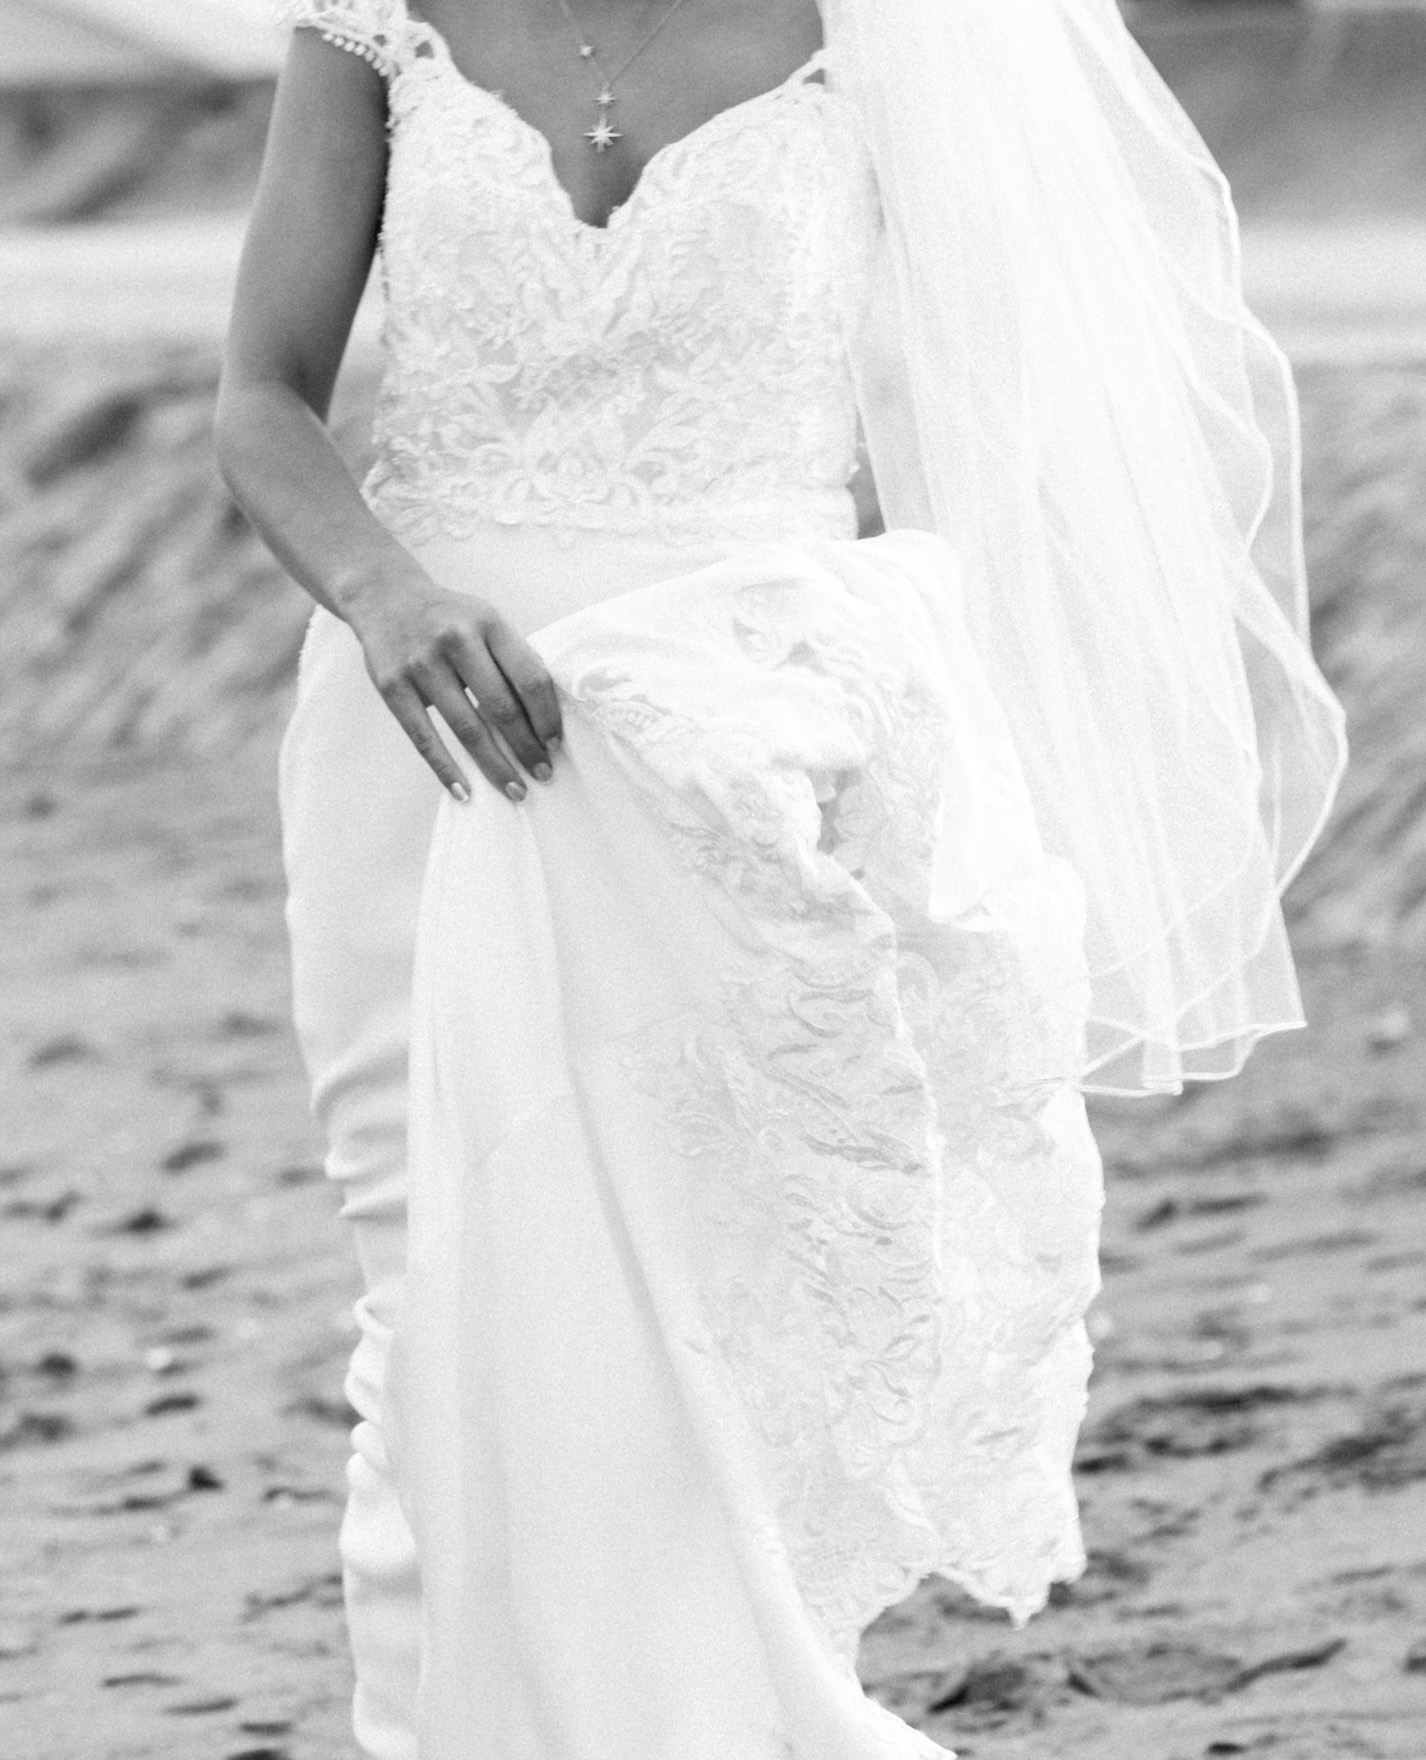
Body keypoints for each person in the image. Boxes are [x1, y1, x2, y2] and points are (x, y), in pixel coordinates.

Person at [215, 2, 1347, 1756]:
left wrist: (890, 718)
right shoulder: (374, 22)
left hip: (752, 741)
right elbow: (260, 396)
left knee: (692, 1317)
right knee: (431, 1293)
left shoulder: (894, 35)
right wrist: (380, 589)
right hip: (420, 737)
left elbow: (1003, 423)